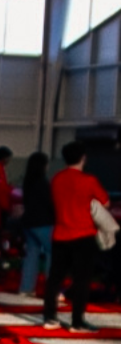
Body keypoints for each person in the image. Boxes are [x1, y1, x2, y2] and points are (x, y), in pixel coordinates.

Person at [43, 141, 109, 332]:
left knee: (54, 278)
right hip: (83, 235)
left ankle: (49, 316)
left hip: (61, 234)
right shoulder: (89, 181)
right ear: (83, 158)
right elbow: (104, 202)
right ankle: (77, 321)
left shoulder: (56, 179)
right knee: (82, 280)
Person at [19, 152, 54, 298]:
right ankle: (52, 288)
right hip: (43, 223)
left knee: (31, 256)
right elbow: (49, 203)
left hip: (28, 223)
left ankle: (26, 288)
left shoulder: (28, 181)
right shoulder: (43, 183)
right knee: (52, 254)